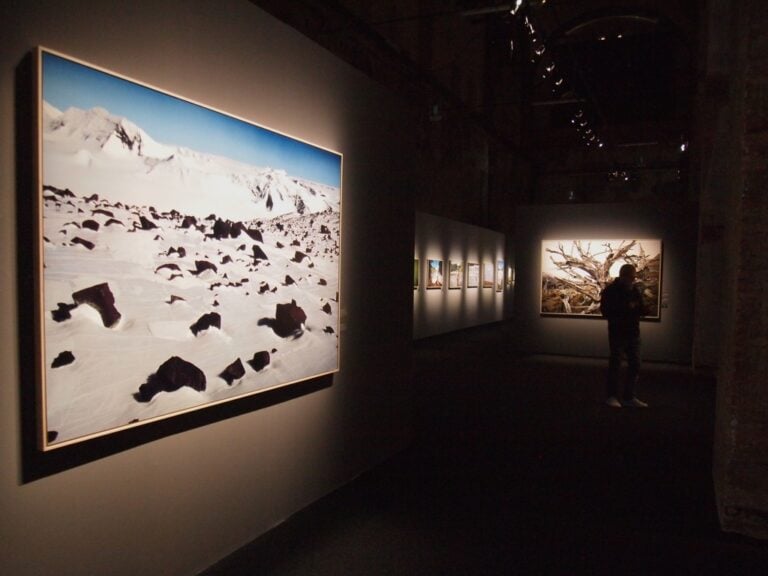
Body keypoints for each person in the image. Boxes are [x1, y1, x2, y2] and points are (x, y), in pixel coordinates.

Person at [599, 263, 649, 408]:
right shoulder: (610, 291)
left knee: (635, 364)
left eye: (633, 277)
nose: (632, 280)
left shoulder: (634, 290)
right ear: (623, 276)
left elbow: (641, 308)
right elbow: (606, 311)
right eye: (631, 277)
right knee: (615, 364)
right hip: (618, 333)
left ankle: (629, 396)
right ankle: (611, 396)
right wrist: (627, 308)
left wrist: (638, 308)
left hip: (633, 333)